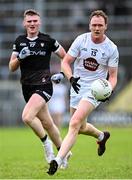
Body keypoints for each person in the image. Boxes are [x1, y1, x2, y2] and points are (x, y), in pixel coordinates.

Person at [48, 10, 119, 175]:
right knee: (80, 127)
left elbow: (113, 76)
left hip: (94, 90)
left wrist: (109, 90)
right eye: (94, 25)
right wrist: (71, 78)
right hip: (77, 86)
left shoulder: (111, 48)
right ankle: (101, 136)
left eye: (100, 25)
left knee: (74, 123)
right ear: (89, 25)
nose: (96, 28)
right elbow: (65, 62)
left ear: (105, 27)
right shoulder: (81, 40)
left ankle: (58, 161)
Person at [9, 9, 71, 169]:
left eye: (35, 21)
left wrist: (63, 74)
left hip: (44, 85)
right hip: (27, 87)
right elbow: (11, 67)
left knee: (27, 117)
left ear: (39, 22)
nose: (32, 24)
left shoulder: (48, 40)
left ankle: (46, 145)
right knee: (48, 123)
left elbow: (66, 57)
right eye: (29, 21)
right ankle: (64, 152)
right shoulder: (19, 41)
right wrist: (19, 57)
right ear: (24, 23)